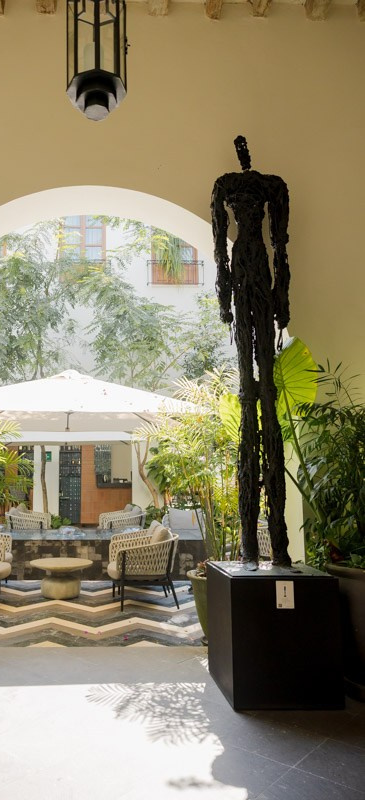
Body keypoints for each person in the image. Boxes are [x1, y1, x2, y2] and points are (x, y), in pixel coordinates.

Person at [211, 136, 291, 568]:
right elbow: (219, 253)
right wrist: (225, 301)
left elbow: (281, 247)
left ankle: (279, 545)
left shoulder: (272, 186)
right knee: (248, 394)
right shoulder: (224, 186)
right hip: (243, 272)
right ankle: (249, 547)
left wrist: (282, 301)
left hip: (258, 268)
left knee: (267, 394)